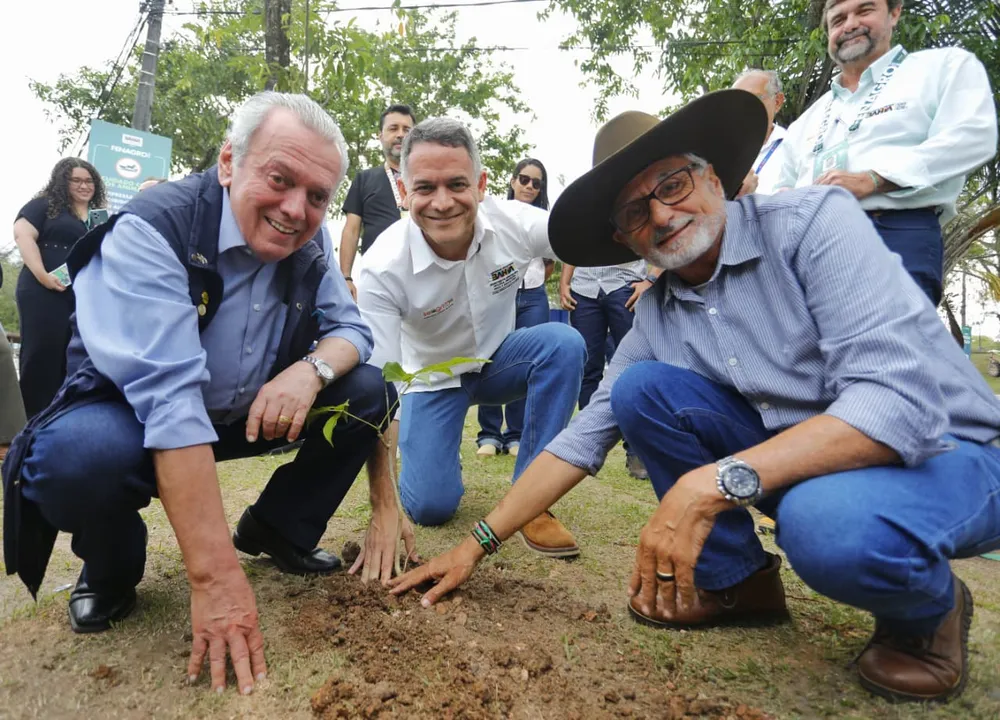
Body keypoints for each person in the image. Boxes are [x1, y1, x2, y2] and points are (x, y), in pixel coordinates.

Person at [390, 90, 1000, 704]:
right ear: (625, 240)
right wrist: (475, 547)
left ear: (715, 178)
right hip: (811, 465)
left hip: (949, 454)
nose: (659, 215)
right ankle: (738, 583)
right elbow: (583, 437)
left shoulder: (816, 223)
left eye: (673, 185)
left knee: (827, 526)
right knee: (640, 390)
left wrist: (713, 483)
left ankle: (930, 613)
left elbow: (894, 403)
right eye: (633, 213)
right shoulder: (659, 312)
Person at [1, 92, 416, 695]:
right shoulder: (153, 227)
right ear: (228, 162)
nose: (296, 210)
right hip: (135, 420)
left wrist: (310, 372)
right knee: (75, 458)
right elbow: (169, 400)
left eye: (318, 196)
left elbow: (353, 330)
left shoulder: (313, 241)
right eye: (279, 179)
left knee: (365, 388)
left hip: (244, 414)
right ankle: (112, 563)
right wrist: (215, 580)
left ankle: (279, 528)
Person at [356, 117, 586, 558]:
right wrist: (382, 504)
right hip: (431, 379)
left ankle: (532, 497)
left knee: (563, 343)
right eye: (424, 188)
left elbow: (580, 235)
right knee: (430, 506)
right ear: (403, 194)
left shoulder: (516, 222)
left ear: (480, 184)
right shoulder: (382, 265)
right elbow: (377, 383)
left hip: (499, 362)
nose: (442, 203)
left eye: (457, 184)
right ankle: (430, 453)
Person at [775, 0, 997, 306]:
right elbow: (777, 187)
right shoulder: (807, 121)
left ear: (895, 13)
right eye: (838, 19)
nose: (849, 24)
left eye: (864, 11)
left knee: (889, 351)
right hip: (809, 249)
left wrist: (874, 179)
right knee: (808, 353)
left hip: (893, 233)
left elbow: (972, 136)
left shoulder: (942, 68)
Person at [12, 158, 107, 418]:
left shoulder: (99, 218)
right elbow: (22, 234)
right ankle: (27, 420)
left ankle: (59, 418)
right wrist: (42, 275)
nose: (83, 185)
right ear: (63, 182)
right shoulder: (46, 206)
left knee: (72, 355)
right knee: (42, 352)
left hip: (81, 295)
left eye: (88, 180)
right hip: (43, 291)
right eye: (76, 180)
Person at [476, 158, 555, 457]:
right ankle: (489, 435)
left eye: (537, 183)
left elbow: (550, 262)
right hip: (499, 294)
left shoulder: (545, 218)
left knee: (526, 365)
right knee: (491, 358)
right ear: (512, 181)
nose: (530, 187)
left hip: (533, 295)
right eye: (524, 179)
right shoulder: (495, 213)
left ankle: (516, 434)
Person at [559, 255, 657, 480]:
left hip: (625, 286)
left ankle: (637, 452)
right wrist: (565, 282)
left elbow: (658, 239)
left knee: (633, 371)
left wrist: (650, 280)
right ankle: (585, 447)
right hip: (584, 289)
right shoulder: (578, 217)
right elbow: (573, 246)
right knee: (586, 369)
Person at [340, 104, 416, 300]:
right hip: (377, 279)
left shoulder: (428, 178)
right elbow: (351, 230)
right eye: (393, 128)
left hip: (423, 276)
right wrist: (345, 278)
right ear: (380, 136)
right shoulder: (364, 179)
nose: (400, 134)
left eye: (407, 130)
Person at [732, 69, 788, 196]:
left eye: (753, 99)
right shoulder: (721, 154)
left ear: (778, 102)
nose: (743, 108)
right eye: (737, 102)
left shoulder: (796, 146)